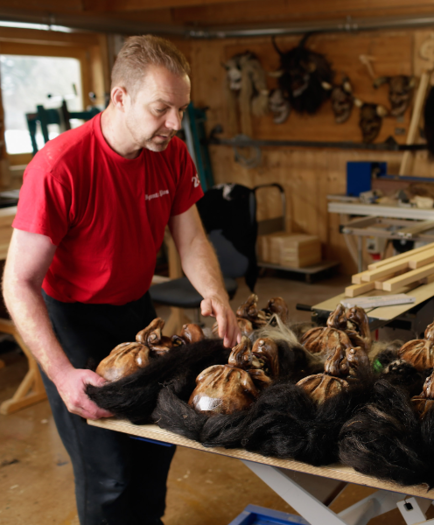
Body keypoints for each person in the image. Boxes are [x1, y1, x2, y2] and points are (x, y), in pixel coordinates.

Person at [2, 35, 240, 524]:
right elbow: (18, 283)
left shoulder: (171, 155)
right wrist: (62, 373)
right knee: (107, 468)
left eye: (181, 109)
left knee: (157, 447)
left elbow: (191, 237)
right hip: (74, 321)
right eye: (162, 109)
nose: (175, 125)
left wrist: (214, 291)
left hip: (135, 311)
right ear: (120, 98)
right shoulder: (60, 167)